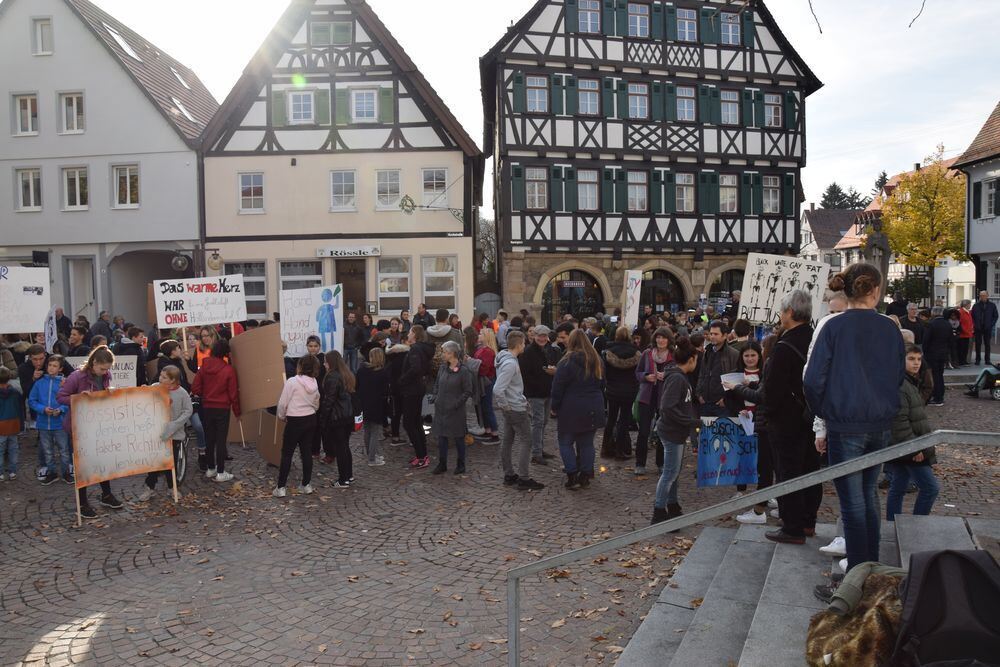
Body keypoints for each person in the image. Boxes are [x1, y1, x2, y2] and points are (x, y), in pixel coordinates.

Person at [805, 264, 905, 570]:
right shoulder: (890, 327)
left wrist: (825, 410)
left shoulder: (834, 326)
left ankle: (860, 573)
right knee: (867, 495)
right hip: (879, 423)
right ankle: (868, 566)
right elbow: (898, 374)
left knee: (854, 502)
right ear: (875, 291)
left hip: (846, 423)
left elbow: (812, 379)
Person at [764, 290, 819, 545]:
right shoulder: (816, 338)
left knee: (788, 472)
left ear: (789, 312)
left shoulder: (784, 346)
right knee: (810, 469)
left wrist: (769, 415)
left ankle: (792, 527)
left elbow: (772, 391)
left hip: (786, 421)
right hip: (811, 418)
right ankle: (808, 521)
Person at [57, 346, 123, 518]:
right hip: (80, 426)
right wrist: (79, 398)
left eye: (107, 369)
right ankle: (83, 502)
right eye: (102, 368)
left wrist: (109, 392)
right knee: (83, 464)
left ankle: (106, 495)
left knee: (102, 459)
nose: (104, 372)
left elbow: (102, 393)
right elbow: (61, 396)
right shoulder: (76, 377)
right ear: (94, 363)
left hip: (99, 425)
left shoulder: (106, 375)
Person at [650, 337, 701, 525]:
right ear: (691, 360)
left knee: (673, 472)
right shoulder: (678, 378)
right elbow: (667, 407)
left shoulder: (678, 377)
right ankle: (659, 511)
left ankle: (672, 505)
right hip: (672, 432)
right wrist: (692, 422)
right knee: (670, 473)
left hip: (676, 432)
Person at [886, 344, 938, 522]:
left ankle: (893, 524)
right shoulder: (902, 384)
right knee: (930, 488)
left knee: (898, 486)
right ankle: (917, 527)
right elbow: (899, 422)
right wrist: (914, 448)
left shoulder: (910, 381)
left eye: (918, 359)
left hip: (907, 445)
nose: (916, 363)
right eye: (911, 359)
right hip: (910, 446)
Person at [551, 329, 606, 490]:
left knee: (566, 442)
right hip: (593, 405)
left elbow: (557, 387)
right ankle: (585, 474)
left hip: (571, 406)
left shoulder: (566, 362)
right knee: (587, 443)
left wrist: (554, 406)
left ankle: (572, 474)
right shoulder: (597, 361)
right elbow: (602, 384)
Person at [494, 331, 544, 491]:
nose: (525, 346)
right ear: (518, 344)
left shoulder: (505, 358)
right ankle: (523, 477)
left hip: (511, 406)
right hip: (515, 408)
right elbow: (498, 389)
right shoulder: (510, 364)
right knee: (526, 440)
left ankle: (509, 474)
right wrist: (506, 406)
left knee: (508, 440)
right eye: (524, 343)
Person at [137, 366, 193, 501]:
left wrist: (175, 424)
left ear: (173, 380)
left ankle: (172, 487)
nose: (160, 379)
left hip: (173, 434)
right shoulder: (156, 387)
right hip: (157, 433)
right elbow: (146, 398)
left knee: (170, 462)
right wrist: (144, 390)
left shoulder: (182, 393)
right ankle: (150, 488)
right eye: (160, 376)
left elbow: (187, 410)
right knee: (155, 461)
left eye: (164, 377)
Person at [191, 339, 240, 483]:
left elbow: (195, 388)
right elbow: (233, 394)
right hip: (222, 408)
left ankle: (211, 468)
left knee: (209, 439)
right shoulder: (228, 370)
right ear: (225, 353)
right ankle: (220, 471)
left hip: (207, 407)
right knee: (220, 440)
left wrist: (205, 394)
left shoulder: (204, 366)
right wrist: (238, 412)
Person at [273, 354, 320, 497]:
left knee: (287, 453)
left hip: (294, 420)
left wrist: (281, 416)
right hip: (310, 418)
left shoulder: (292, 382)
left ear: (300, 365)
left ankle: (281, 487)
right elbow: (317, 402)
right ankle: (306, 484)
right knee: (306, 452)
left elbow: (282, 403)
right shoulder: (315, 382)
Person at [430, 341, 474, 475]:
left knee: (459, 437)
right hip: (441, 408)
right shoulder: (443, 368)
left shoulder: (463, 371)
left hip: (455, 411)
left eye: (444, 352)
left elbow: (468, 391)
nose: (442, 355)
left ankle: (461, 465)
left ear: (452, 353)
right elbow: (437, 384)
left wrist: (456, 404)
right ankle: (442, 463)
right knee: (441, 437)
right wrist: (436, 396)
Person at [634, 327, 673, 475]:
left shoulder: (673, 356)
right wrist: (645, 376)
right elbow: (637, 373)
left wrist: (667, 375)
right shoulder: (647, 353)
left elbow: (679, 373)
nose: (660, 340)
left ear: (668, 340)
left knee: (662, 432)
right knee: (643, 431)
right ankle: (640, 463)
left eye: (664, 338)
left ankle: (661, 463)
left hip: (665, 398)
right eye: (658, 337)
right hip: (647, 397)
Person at [28, 355, 71, 485]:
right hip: (43, 424)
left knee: (64, 450)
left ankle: (66, 473)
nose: (51, 368)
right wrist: (42, 409)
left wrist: (61, 409)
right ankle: (52, 472)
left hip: (59, 424)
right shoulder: (39, 383)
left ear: (60, 368)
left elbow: (68, 400)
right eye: (50, 365)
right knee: (47, 451)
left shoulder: (64, 383)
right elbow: (32, 400)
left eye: (55, 366)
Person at [519, 325, 559, 465]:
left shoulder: (550, 349)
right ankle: (536, 453)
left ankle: (540, 449)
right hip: (535, 392)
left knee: (544, 422)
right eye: (539, 336)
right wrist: (543, 373)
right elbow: (524, 374)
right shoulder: (528, 352)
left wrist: (553, 371)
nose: (542, 338)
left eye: (544, 336)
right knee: (537, 422)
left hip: (548, 390)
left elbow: (553, 364)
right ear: (534, 336)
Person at [601, 326, 641, 461]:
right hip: (629, 390)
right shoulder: (636, 352)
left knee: (611, 419)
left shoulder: (608, 352)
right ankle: (620, 450)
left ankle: (606, 448)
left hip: (612, 389)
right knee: (623, 420)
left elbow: (604, 372)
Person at [398, 326, 434, 468]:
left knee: (409, 423)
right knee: (416, 422)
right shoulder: (421, 348)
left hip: (412, 390)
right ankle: (422, 454)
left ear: (416, 335)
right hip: (417, 389)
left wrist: (402, 380)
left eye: (410, 332)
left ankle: (421, 456)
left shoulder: (415, 349)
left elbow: (416, 369)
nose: (408, 334)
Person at [320, 351, 356, 486]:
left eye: (325, 361)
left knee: (340, 448)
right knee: (345, 447)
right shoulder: (346, 374)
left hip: (337, 417)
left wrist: (323, 419)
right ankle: (349, 475)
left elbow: (329, 400)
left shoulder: (332, 377)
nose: (324, 364)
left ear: (331, 362)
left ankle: (343, 479)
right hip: (346, 416)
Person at [696, 321, 740, 418]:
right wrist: (699, 394)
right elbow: (702, 374)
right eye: (711, 333)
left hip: (722, 404)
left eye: (716, 334)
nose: (712, 336)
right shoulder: (707, 352)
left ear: (724, 336)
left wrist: (726, 399)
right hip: (705, 402)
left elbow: (736, 379)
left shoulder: (733, 354)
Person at [357, 348, 389, 467]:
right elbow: (385, 391)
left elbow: (357, 385)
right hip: (377, 405)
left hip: (364, 403)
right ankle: (372, 458)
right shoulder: (383, 372)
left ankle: (371, 454)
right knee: (375, 432)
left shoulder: (362, 370)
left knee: (367, 430)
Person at [473, 328, 500, 443]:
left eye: (481, 334)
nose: (479, 335)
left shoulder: (488, 351)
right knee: (483, 407)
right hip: (482, 381)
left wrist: (471, 362)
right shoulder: (481, 349)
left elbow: (484, 368)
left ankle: (495, 433)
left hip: (486, 382)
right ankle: (487, 430)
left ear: (486, 337)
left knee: (487, 407)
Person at [921, 306, 952, 406]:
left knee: (934, 376)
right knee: (940, 375)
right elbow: (951, 340)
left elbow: (926, 340)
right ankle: (940, 396)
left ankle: (936, 397)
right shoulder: (948, 324)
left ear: (933, 313)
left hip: (932, 353)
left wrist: (924, 352)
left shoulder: (931, 324)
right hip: (943, 353)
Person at [0, 367, 24, 481]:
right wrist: (22, 424)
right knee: (13, 449)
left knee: (1, 450)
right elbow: (20, 409)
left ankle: (0, 472)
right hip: (14, 423)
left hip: (1, 425)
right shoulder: (15, 392)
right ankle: (12, 471)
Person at [386, 339, 410, 445]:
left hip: (394, 391)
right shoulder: (406, 360)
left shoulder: (390, 361)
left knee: (396, 414)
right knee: (409, 414)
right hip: (405, 390)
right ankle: (411, 437)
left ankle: (395, 437)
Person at [971, 290, 998, 365]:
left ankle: (987, 360)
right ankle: (977, 359)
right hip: (978, 327)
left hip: (987, 327)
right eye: (980, 296)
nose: (982, 297)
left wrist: (991, 324)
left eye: (983, 295)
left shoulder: (992, 305)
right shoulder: (976, 305)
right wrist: (975, 324)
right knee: (978, 344)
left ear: (987, 296)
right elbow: (972, 316)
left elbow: (995, 316)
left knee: (987, 344)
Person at [957, 299, 974, 366]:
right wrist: (965, 330)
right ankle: (961, 361)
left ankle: (964, 361)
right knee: (962, 348)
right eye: (969, 304)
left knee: (965, 348)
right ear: (966, 305)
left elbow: (970, 321)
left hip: (967, 333)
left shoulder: (968, 312)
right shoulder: (961, 312)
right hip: (963, 334)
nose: (970, 305)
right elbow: (960, 323)